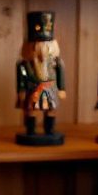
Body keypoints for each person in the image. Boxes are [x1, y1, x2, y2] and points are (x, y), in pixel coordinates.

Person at [16, 11, 66, 145]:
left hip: (50, 89)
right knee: (31, 110)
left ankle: (49, 129)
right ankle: (30, 129)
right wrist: (21, 90)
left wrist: (61, 88)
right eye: (37, 46)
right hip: (33, 89)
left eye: (46, 46)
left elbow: (60, 73)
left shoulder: (56, 62)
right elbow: (22, 77)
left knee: (51, 109)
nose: (42, 50)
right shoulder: (24, 64)